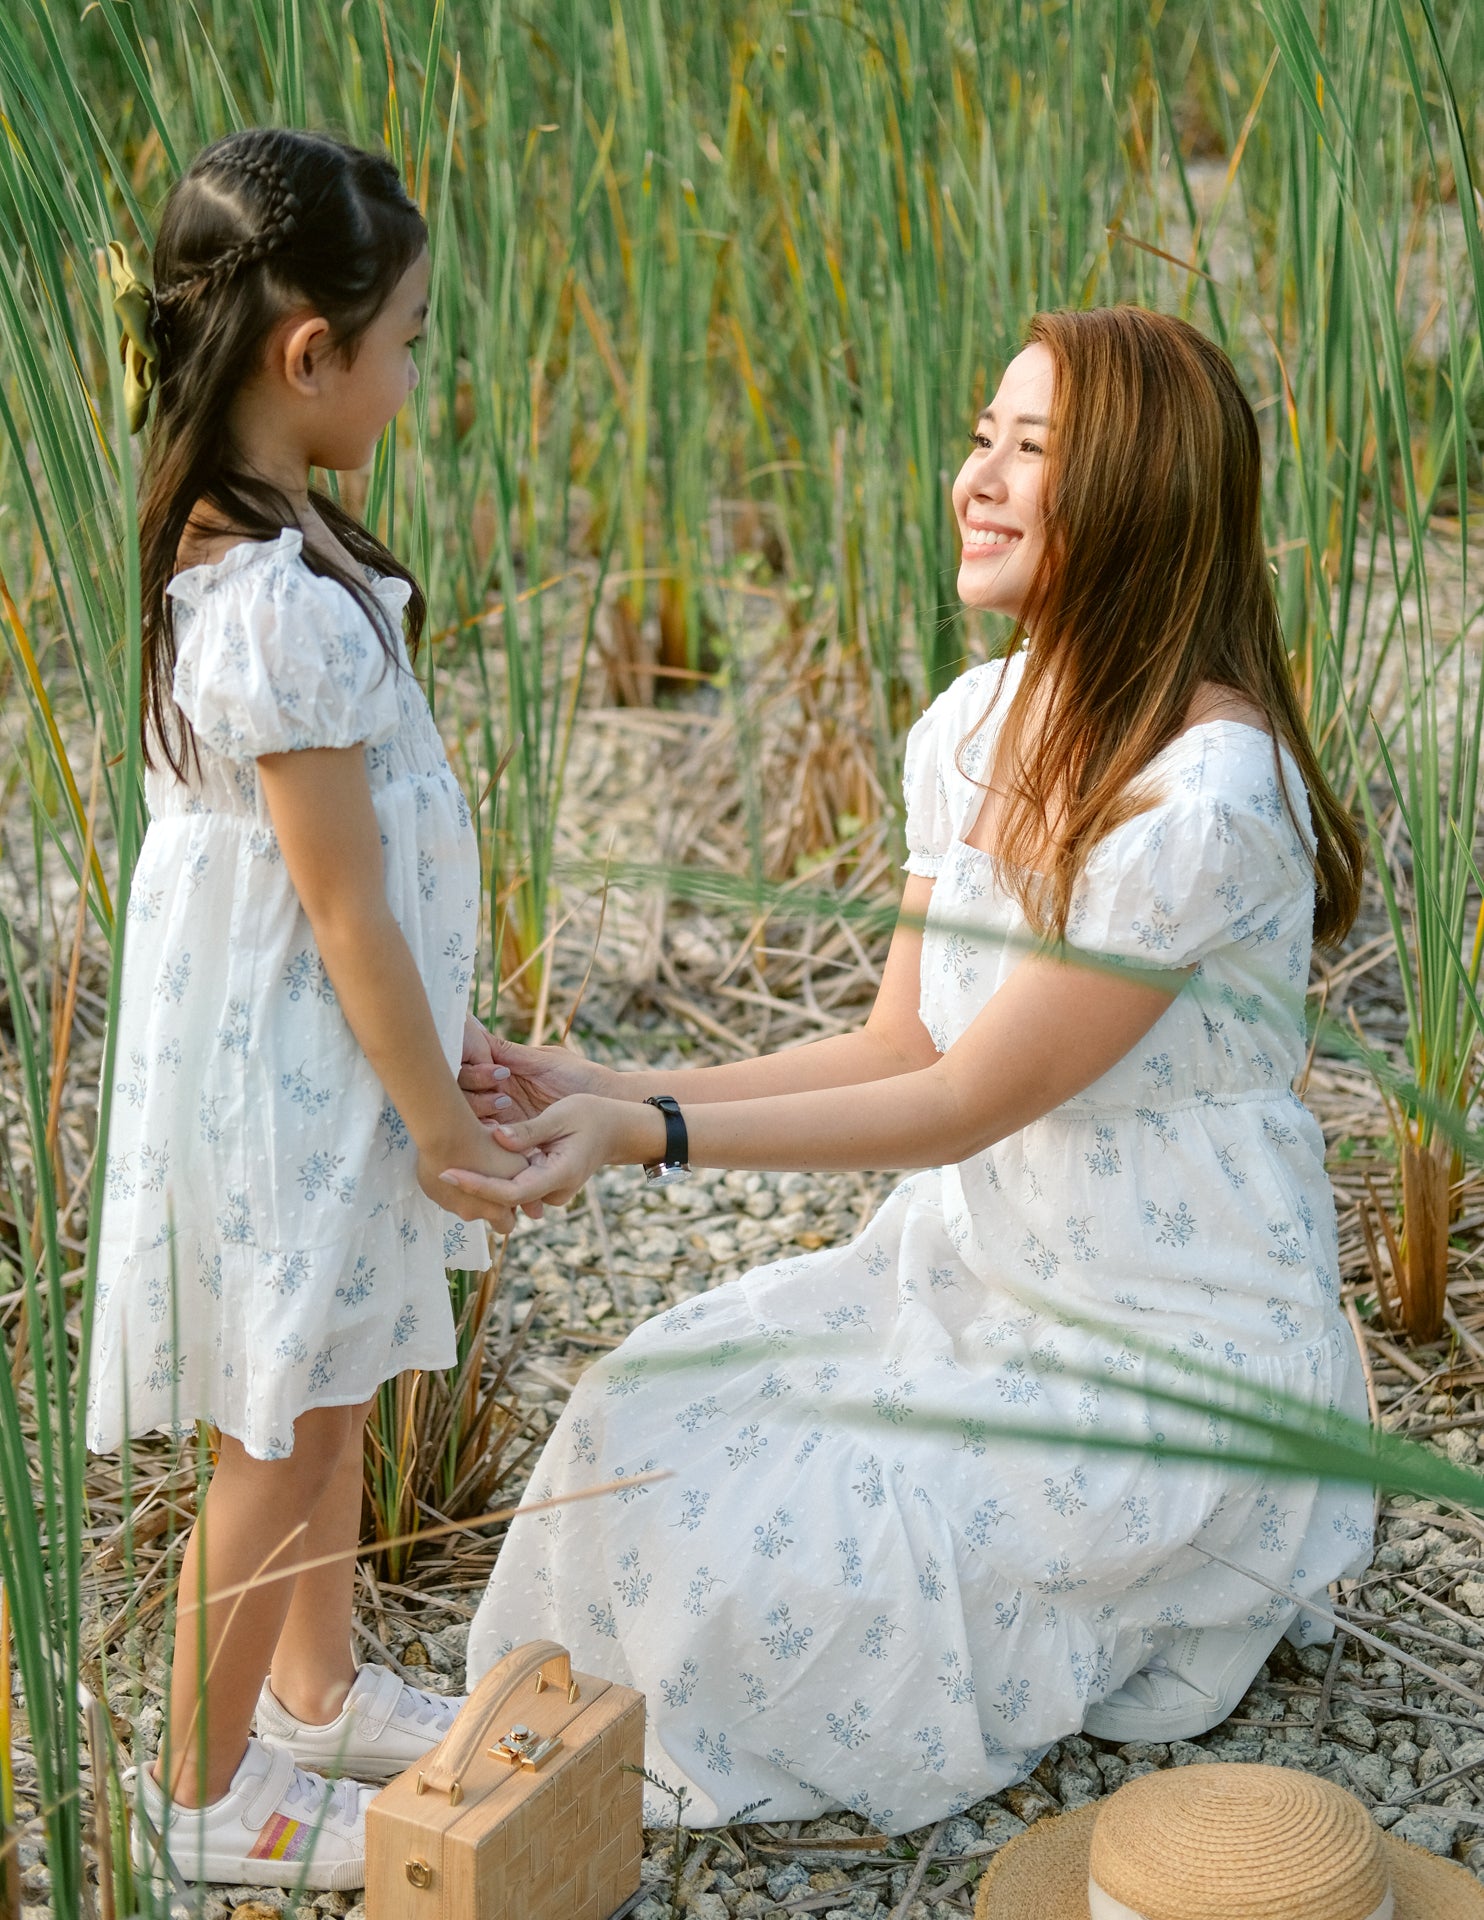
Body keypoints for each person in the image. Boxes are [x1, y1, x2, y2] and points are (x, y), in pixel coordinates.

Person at [451, 307, 1375, 1835]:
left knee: (816, 1572)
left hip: (1160, 1342)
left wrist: (643, 1137)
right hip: (969, 1284)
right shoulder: (974, 730)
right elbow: (898, 1044)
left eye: (1033, 451)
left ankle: (1206, 1557)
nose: (979, 479)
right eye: (981, 438)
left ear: (1139, 494)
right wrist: (589, 1075)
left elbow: (963, 1102)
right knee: (642, 1416)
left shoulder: (1204, 803)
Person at [89, 128, 520, 1890]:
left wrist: (433, 1059)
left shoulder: (279, 552)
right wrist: (434, 1116)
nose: (415, 373)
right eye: (406, 340)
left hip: (311, 1057)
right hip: (304, 1072)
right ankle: (199, 1800)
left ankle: (320, 1686)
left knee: (326, 1385)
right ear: (307, 354)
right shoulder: (273, 602)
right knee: (275, 1425)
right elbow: (339, 909)